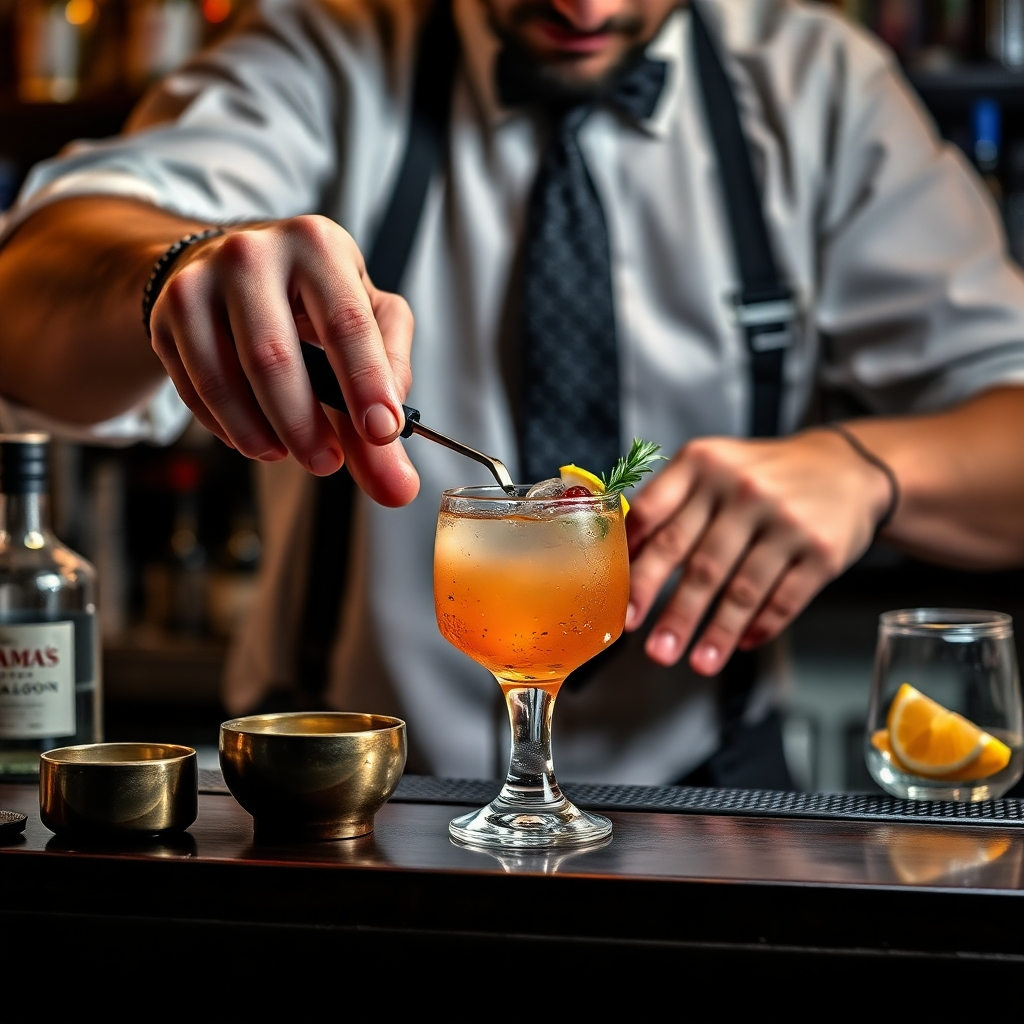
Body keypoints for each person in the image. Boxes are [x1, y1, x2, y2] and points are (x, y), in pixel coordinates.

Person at [2, 0, 1024, 788]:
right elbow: (29, 291)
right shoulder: (326, 47)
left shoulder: (815, 84)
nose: (584, 8)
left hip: (714, 806)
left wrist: (867, 471)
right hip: (347, 800)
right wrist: (172, 271)